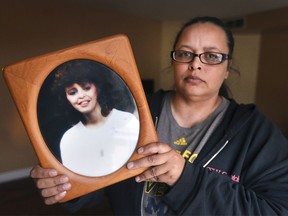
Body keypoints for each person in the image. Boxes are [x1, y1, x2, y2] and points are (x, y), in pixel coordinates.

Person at [30, 16, 288, 215]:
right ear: (174, 61)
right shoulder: (133, 114)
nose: (196, 64)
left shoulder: (254, 132)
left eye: (211, 56)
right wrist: (69, 187)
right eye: (185, 54)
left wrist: (185, 179)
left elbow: (277, 209)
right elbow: (105, 178)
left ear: (227, 68)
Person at [43, 59, 140, 177]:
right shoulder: (69, 139)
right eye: (73, 92)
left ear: (97, 88)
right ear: (66, 98)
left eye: (86, 87)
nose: (81, 96)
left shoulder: (127, 121)